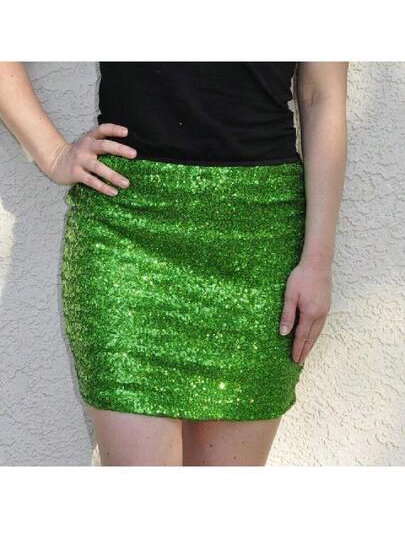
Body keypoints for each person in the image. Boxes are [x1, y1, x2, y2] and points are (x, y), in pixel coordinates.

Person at [0, 61, 348, 466]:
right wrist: (54, 153)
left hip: (260, 244)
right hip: (126, 236)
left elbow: (322, 96)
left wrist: (318, 260)